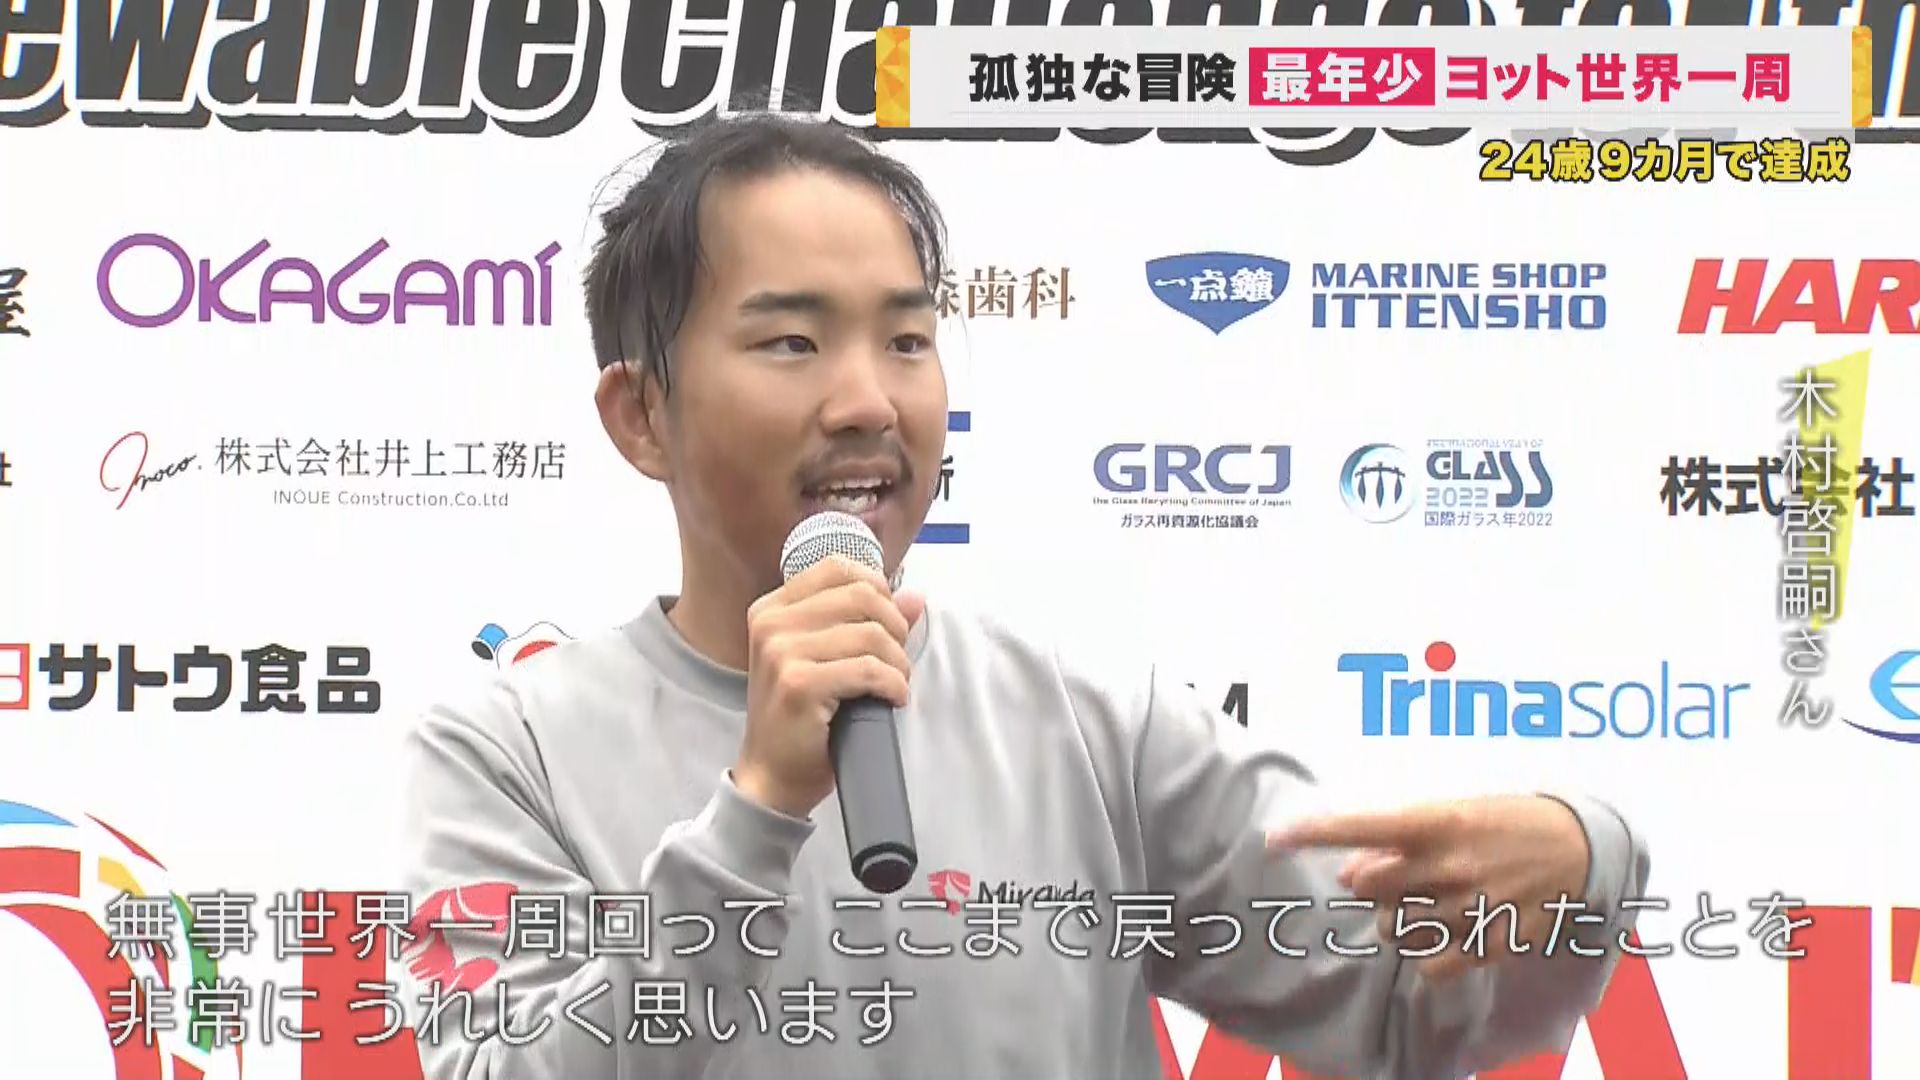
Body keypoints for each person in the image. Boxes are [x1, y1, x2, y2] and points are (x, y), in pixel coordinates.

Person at [397, 112, 1650, 1080]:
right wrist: (758, 811)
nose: (867, 401)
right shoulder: (507, 752)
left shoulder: (1087, 724)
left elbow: (1405, 1014)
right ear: (641, 415)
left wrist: (1587, 862)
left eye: (906, 340)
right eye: (791, 342)